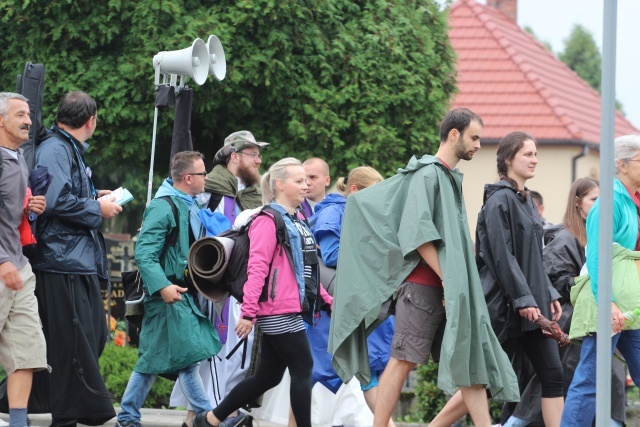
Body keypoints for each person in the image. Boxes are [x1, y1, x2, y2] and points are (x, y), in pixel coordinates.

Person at [329, 108, 519, 427]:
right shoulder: (428, 173)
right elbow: (416, 235)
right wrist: (449, 279)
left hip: (443, 289)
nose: (478, 144)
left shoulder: (445, 176)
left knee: (469, 359)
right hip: (423, 288)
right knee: (403, 360)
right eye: (474, 137)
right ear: (454, 134)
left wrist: (453, 283)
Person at [436, 131, 565, 427]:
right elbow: (501, 257)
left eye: (536, 154)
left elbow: (533, 257)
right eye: (528, 154)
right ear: (508, 159)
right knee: (481, 382)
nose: (535, 160)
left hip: (532, 307)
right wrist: (524, 299)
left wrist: (549, 294)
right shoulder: (499, 202)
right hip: (505, 307)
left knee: (553, 375)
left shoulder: (527, 201)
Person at [194, 157, 333, 427]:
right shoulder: (267, 221)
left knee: (268, 377)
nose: (305, 185)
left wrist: (327, 300)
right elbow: (257, 269)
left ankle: (210, 419)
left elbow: (306, 269)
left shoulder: (298, 219)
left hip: (288, 306)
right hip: (277, 309)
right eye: (299, 180)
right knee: (303, 368)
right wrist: (248, 313)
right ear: (280, 184)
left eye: (307, 180)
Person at [503, 178, 626, 427]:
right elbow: (550, 281)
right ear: (577, 202)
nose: (601, 204)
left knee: (606, 381)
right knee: (554, 386)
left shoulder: (599, 237)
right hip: (570, 326)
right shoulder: (565, 239)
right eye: (594, 199)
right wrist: (586, 282)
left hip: (594, 321)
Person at [30, 91, 121, 426]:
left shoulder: (64, 147)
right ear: (91, 121)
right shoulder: (56, 148)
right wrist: (97, 208)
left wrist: (95, 196)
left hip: (71, 259)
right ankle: (66, 415)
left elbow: (63, 193)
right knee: (75, 340)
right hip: (60, 260)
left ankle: (39, 402)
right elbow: (52, 200)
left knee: (91, 334)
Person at [116, 151, 222, 427]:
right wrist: (163, 287)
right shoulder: (164, 206)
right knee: (187, 358)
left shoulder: (187, 203)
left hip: (178, 293)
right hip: (168, 294)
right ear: (188, 178)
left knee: (152, 359)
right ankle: (210, 417)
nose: (207, 178)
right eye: (203, 174)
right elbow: (144, 254)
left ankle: (127, 417)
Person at [170, 130, 267, 426]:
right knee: (212, 350)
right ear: (234, 155)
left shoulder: (253, 194)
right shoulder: (206, 187)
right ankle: (210, 415)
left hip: (241, 285)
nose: (259, 160)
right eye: (253, 154)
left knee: (239, 351)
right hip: (211, 286)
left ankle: (209, 415)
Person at [562, 135, 640, 426]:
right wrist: (608, 302)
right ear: (621, 165)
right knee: (589, 378)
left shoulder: (630, 200)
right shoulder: (610, 202)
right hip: (609, 303)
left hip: (628, 303)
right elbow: (596, 257)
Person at [310, 166, 395, 425]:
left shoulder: (352, 210)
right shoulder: (333, 213)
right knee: (360, 373)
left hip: (354, 302)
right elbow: (332, 255)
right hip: (339, 305)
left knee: (318, 376)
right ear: (354, 190)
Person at [0, 92, 47, 427]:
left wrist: (29, 207)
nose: (28, 120)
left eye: (28, 114)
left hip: (19, 269)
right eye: (19, 114)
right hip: (3, 267)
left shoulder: (18, 158)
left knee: (27, 351)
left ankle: (18, 423)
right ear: (1, 120)